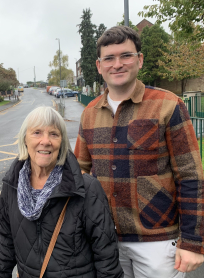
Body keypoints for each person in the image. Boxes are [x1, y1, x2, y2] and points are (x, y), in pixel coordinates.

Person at [74, 25, 204, 278]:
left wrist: (193, 242)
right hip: (105, 239)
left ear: (139, 60)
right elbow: (79, 172)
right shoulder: (89, 113)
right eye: (109, 58)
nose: (117, 64)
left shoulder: (168, 105)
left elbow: (191, 177)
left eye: (126, 56)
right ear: (99, 66)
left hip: (158, 241)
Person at [0, 106, 123, 278]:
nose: (45, 141)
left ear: (62, 142)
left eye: (54, 134)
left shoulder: (87, 188)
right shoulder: (11, 186)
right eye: (37, 132)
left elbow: (107, 256)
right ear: (25, 139)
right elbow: (6, 245)